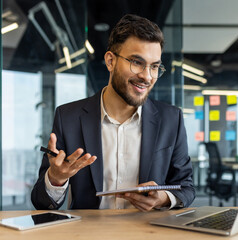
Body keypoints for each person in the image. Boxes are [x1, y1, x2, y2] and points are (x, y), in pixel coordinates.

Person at [31, 14, 195, 211]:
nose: (147, 76)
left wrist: (163, 198)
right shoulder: (68, 117)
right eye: (136, 62)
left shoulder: (171, 119)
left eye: (154, 67)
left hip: (149, 232)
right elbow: (41, 203)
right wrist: (56, 179)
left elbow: (186, 187)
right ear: (110, 61)